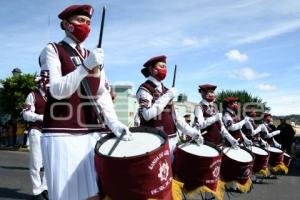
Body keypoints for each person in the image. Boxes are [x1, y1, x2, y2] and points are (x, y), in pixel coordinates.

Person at [39, 4, 132, 200]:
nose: (86, 26)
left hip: (92, 131)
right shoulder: (53, 49)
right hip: (63, 132)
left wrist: (114, 122)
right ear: (65, 24)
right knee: (68, 194)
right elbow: (56, 90)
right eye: (80, 21)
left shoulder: (92, 55)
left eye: (89, 22)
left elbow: (102, 93)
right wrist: (85, 67)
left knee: (95, 193)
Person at [136, 55, 203, 155]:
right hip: (154, 141)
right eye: (161, 66)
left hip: (171, 141)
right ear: (151, 69)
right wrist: (167, 96)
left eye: (165, 67)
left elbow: (176, 118)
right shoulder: (145, 88)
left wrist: (192, 132)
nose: (165, 69)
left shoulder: (166, 90)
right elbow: (146, 114)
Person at [22, 71, 49, 200]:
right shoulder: (32, 95)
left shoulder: (56, 96)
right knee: (36, 162)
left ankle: (45, 188)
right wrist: (41, 117)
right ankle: (36, 190)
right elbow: (26, 114)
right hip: (37, 131)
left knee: (50, 163)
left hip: (51, 133)